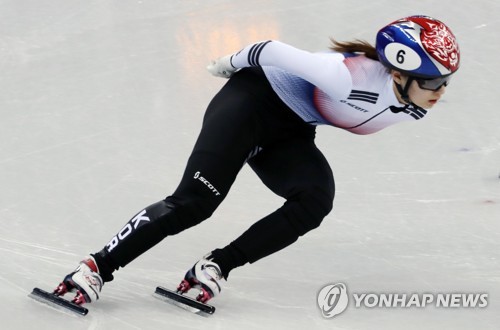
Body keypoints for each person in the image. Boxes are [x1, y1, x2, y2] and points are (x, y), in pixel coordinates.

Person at [53, 15, 460, 306]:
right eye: (433, 81)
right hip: (249, 105)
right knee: (196, 201)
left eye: (446, 81)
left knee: (315, 199)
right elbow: (271, 50)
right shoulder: (347, 76)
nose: (440, 90)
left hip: (291, 129)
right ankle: (93, 268)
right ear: (399, 72)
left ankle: (213, 267)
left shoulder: (412, 102)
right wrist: (224, 66)